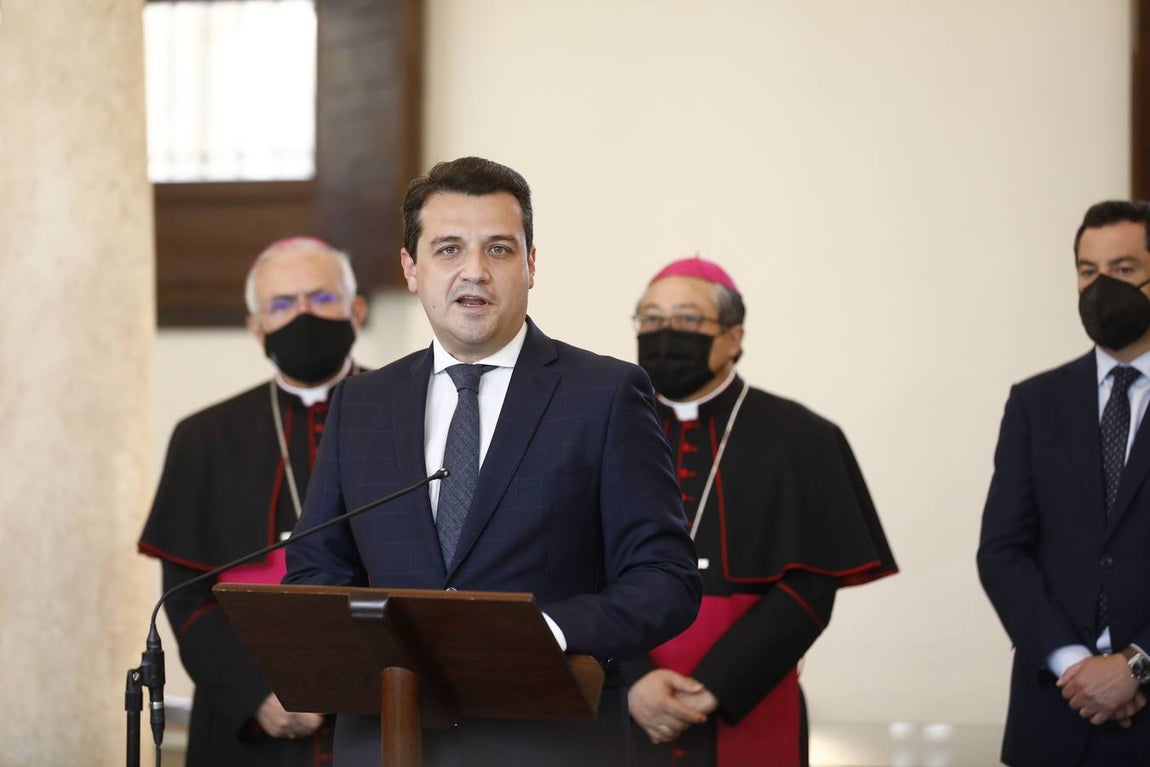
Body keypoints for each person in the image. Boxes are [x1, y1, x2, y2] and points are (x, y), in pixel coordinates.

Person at [282, 156, 702, 767]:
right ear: (411, 268)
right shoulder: (362, 403)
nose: (473, 272)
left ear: (531, 265)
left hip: (547, 743)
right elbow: (315, 568)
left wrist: (547, 633)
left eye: (499, 250)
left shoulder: (605, 395)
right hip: (386, 742)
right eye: (448, 249)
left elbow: (666, 579)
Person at [625, 256, 898, 767]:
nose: (665, 333)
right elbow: (575, 568)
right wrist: (633, 677)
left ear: (733, 336)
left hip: (748, 696)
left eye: (686, 320)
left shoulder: (801, 437)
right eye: (651, 319)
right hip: (626, 700)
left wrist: (717, 685)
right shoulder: (607, 429)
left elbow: (812, 585)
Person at [138, 236, 368, 767]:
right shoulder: (205, 438)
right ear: (255, 327)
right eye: (282, 305)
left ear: (356, 310)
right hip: (246, 724)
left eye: (321, 298)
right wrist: (255, 693)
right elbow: (187, 600)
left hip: (376, 713)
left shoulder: (412, 413)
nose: (303, 316)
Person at [978, 200, 1150, 767]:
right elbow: (1003, 550)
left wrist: (1134, 666)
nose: (1102, 287)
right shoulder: (1034, 403)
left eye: (1123, 270)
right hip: (1054, 718)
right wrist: (1074, 665)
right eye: (1087, 271)